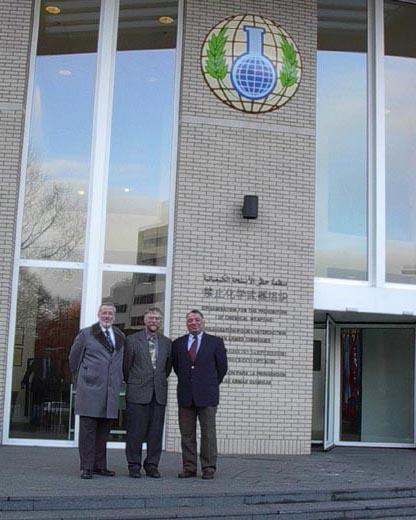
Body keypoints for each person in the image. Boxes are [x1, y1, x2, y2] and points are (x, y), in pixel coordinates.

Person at [69, 303, 124, 479]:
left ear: (114, 316)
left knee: (103, 432)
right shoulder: (86, 334)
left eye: (110, 313)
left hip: (110, 392)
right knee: (88, 432)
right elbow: (74, 359)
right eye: (104, 312)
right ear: (98, 314)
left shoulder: (120, 335)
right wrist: (83, 378)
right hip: (90, 390)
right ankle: (86, 467)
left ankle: (100, 466)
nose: (107, 316)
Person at [172, 309, 228, 480]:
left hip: (208, 394)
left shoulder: (215, 342)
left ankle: (208, 467)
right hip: (186, 394)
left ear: (203, 322)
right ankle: (189, 467)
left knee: (208, 433)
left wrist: (209, 383)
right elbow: (177, 367)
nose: (193, 323)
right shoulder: (178, 343)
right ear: (186, 323)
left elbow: (222, 368)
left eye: (196, 320)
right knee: (187, 433)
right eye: (190, 320)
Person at [123, 307, 172, 478]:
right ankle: (134, 465)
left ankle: (152, 465)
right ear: (144, 320)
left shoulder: (167, 342)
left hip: (158, 393)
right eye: (151, 318)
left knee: (155, 433)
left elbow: (167, 368)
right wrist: (137, 381)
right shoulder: (132, 340)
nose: (154, 321)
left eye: (157, 318)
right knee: (135, 432)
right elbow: (126, 367)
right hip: (137, 392)